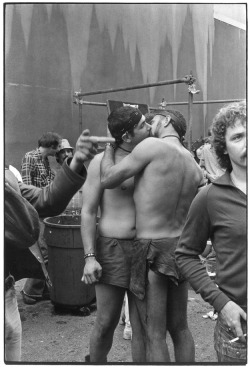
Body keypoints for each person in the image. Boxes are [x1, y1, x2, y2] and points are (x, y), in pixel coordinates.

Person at [100, 109, 205, 362]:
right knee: (180, 329)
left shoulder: (151, 147)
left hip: (151, 248)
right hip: (181, 248)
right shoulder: (193, 163)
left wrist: (108, 149)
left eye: (153, 120)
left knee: (154, 333)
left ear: (166, 121)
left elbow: (108, 179)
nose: (148, 124)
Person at [5, 129, 99, 362]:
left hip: (5, 292)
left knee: (11, 345)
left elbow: (47, 199)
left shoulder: (7, 180)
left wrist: (76, 161)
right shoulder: (25, 162)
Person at [175, 100, 247, 363]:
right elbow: (185, 254)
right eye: (238, 136)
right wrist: (221, 303)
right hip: (240, 323)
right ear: (224, 147)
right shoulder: (210, 197)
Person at [81, 106, 151, 362]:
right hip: (112, 249)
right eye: (143, 125)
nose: (150, 127)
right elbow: (88, 211)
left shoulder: (150, 156)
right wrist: (90, 257)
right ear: (128, 136)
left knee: (142, 324)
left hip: (145, 248)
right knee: (106, 322)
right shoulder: (101, 162)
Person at [21, 132, 62, 304]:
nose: (59, 149)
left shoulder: (46, 161)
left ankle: (41, 289)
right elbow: (25, 185)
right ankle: (31, 292)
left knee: (46, 249)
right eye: (58, 146)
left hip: (45, 209)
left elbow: (51, 183)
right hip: (34, 209)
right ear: (51, 146)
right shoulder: (30, 157)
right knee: (42, 251)